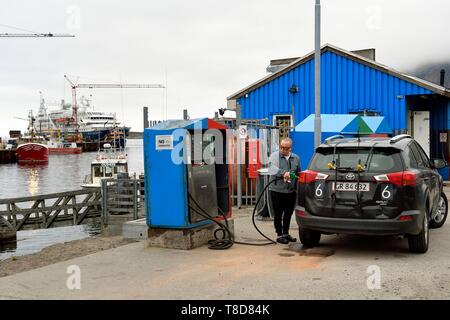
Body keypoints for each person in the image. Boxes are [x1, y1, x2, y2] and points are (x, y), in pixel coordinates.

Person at [268, 137, 301, 244]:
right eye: (281, 147)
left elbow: (298, 172)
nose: (283, 150)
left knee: (288, 213)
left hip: (290, 191)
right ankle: (279, 234)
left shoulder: (296, 158)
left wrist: (297, 187)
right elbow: (271, 168)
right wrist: (283, 173)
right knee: (278, 213)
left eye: (286, 148)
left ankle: (286, 233)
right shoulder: (274, 156)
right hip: (277, 190)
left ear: (290, 148)